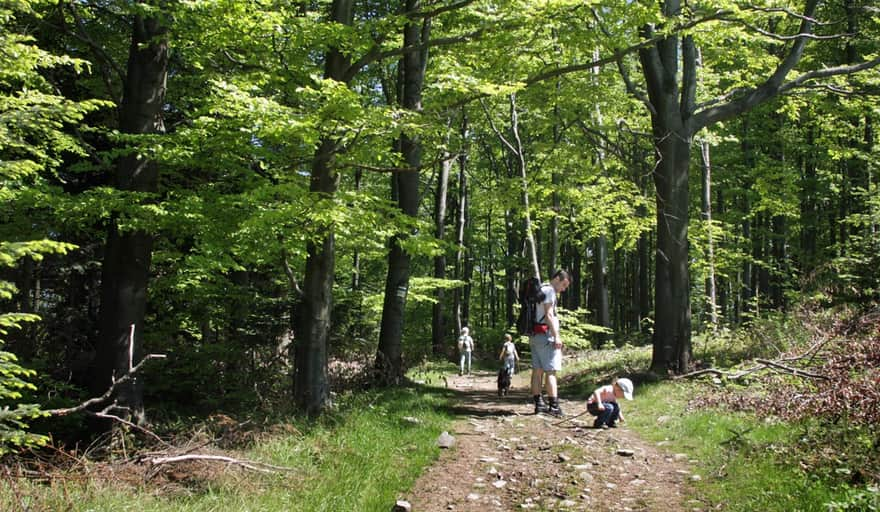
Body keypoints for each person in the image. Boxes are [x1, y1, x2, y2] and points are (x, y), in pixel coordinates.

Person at [529, 270, 571, 416]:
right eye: (563, 285)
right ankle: (554, 406)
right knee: (551, 371)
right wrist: (556, 336)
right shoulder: (550, 291)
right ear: (557, 279)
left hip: (535, 335)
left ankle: (538, 404)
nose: (563, 289)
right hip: (546, 336)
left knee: (537, 371)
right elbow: (548, 315)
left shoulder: (540, 289)